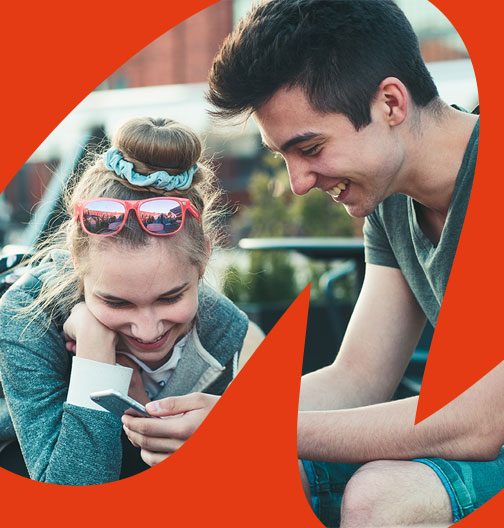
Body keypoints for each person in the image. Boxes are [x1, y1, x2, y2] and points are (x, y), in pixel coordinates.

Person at [121, 1, 504, 527]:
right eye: (284, 157)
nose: (298, 181)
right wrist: (218, 419)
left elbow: (481, 421)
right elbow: (359, 377)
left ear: (391, 103)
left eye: (311, 147)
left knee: (382, 497)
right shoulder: (391, 199)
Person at [0, 117, 263, 485]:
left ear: (203, 257)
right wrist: (96, 359)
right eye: (118, 303)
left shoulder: (231, 340)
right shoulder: (26, 318)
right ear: (78, 264)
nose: (148, 329)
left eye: (171, 297)